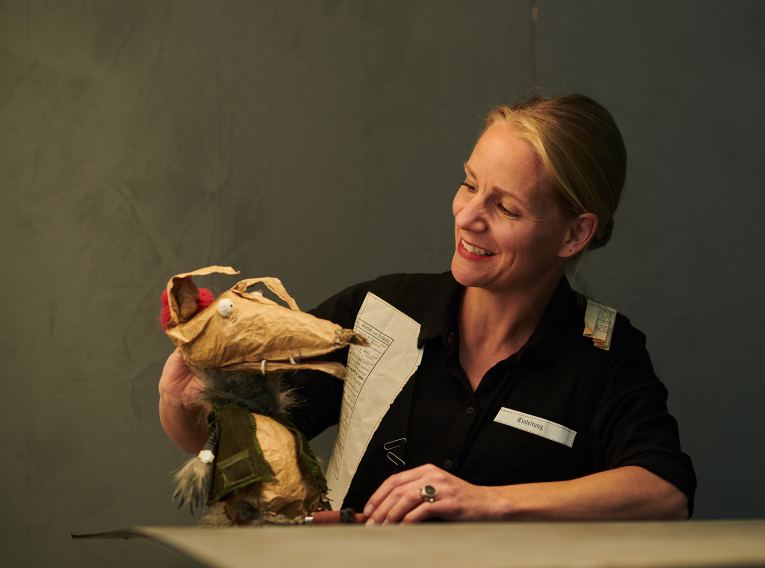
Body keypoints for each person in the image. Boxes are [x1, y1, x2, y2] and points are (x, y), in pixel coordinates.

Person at [159, 94, 696, 523]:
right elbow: (237, 458)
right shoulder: (376, 314)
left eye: (505, 207)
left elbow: (663, 494)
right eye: (469, 184)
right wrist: (182, 404)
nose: (468, 217)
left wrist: (489, 502)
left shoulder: (605, 352)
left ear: (575, 234)